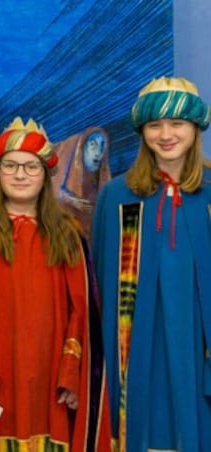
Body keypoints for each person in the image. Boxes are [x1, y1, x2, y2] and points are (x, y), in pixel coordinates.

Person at [0, 117, 112, 451]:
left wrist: (72, 370)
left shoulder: (69, 234)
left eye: (31, 167)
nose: (20, 175)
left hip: (51, 375)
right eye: (10, 165)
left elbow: (82, 310)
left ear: (46, 173)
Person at [92, 76, 211, 451]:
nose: (166, 134)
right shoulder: (116, 196)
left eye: (177, 123)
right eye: (155, 124)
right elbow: (99, 283)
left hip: (198, 339)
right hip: (137, 339)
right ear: (142, 131)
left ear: (195, 127)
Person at [51, 127, 111, 236]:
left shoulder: (102, 185)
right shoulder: (67, 173)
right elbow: (51, 195)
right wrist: (72, 201)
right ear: (82, 148)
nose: (98, 152)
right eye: (93, 145)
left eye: (102, 146)